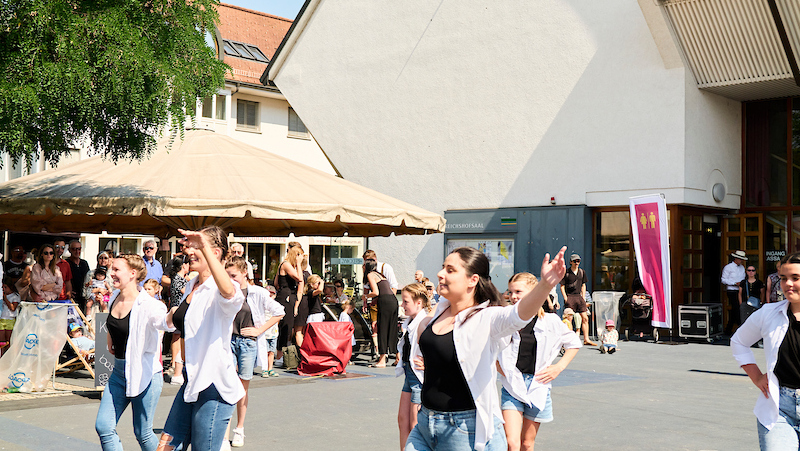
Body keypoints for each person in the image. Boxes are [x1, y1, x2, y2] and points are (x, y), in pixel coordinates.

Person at [405, 246, 566, 451]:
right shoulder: (440, 310)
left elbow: (518, 315)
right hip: (425, 424)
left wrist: (545, 285)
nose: (440, 273)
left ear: (473, 280)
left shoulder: (487, 317)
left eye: (450, 270)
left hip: (463, 429)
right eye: (443, 267)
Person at [158, 226, 245, 451]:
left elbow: (230, 294)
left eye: (195, 247)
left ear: (214, 253)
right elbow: (171, 320)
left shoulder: (224, 287)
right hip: (191, 380)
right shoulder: (191, 285)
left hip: (214, 384)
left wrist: (204, 244)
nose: (189, 251)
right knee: (165, 448)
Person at [95, 253, 171, 451]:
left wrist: (175, 314)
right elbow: (112, 323)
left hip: (144, 374)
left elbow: (164, 323)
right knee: (103, 426)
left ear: (132, 273)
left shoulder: (150, 304)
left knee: (143, 433)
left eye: (117, 269)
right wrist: (110, 339)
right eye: (112, 269)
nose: (112, 273)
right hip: (118, 373)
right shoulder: (114, 297)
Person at [497, 272, 581, 451]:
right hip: (512, 386)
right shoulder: (504, 317)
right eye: (510, 292)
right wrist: (497, 365)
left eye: (518, 292)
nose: (513, 297)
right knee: (511, 442)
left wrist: (558, 368)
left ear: (534, 292)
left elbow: (574, 343)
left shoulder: (550, 320)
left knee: (527, 444)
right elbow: (487, 341)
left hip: (538, 385)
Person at [731, 252, 800, 450]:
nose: (788, 284)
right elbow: (739, 341)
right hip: (779, 409)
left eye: (795, 278)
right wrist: (757, 377)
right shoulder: (769, 313)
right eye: (784, 278)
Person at [224, 256, 284, 447]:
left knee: (242, 388)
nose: (230, 279)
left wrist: (259, 330)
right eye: (227, 275)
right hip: (227, 342)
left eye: (233, 275)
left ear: (244, 273)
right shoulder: (223, 292)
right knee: (226, 386)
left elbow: (279, 311)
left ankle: (239, 429)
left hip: (248, 343)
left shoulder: (257, 292)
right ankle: (224, 435)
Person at [396, 283, 432, 450]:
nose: (402, 305)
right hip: (409, 374)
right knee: (402, 420)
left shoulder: (425, 322)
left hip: (418, 377)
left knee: (415, 425)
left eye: (405, 302)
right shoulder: (409, 322)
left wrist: (430, 364)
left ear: (419, 303)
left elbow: (438, 348)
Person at [363, 259, 398, 368]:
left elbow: (375, 292)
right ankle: (398, 356)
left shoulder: (370, 275)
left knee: (382, 329)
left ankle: (382, 360)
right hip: (393, 300)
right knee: (392, 329)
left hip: (385, 302)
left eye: (363, 265)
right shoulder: (380, 275)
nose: (362, 267)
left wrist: (366, 297)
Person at [275, 246, 304, 364]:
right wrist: (298, 264)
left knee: (288, 325)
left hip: (285, 294)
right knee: (285, 325)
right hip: (286, 295)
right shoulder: (286, 264)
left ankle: (280, 353)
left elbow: (276, 283)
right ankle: (279, 355)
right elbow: (299, 279)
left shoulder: (284, 264)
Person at [560, 253, 595, 346]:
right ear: (571, 262)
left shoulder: (582, 272)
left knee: (585, 318)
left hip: (579, 296)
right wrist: (565, 298)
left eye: (578, 261)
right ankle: (569, 338)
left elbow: (583, 285)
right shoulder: (566, 273)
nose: (577, 263)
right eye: (575, 261)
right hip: (570, 296)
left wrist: (583, 297)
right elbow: (562, 286)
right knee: (569, 318)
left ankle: (586, 338)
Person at [166, 256, 190, 386]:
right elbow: (185, 292)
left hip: (177, 308)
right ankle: (175, 362)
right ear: (184, 266)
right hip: (178, 309)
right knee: (177, 336)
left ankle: (175, 362)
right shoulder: (178, 279)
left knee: (177, 336)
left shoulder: (179, 278)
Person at [723, 250, 748, 335]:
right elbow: (723, 279)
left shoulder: (742, 268)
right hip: (732, 290)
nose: (741, 261)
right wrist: (734, 283)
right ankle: (741, 328)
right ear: (736, 258)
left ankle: (728, 330)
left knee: (736, 309)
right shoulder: (728, 267)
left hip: (740, 290)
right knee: (737, 308)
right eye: (740, 259)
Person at [84, 251, 113, 316]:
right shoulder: (91, 273)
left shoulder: (112, 274)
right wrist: (98, 290)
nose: (103, 260)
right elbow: (85, 293)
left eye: (105, 258)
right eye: (101, 258)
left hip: (106, 304)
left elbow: (114, 291)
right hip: (93, 306)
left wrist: (106, 293)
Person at [68, 240, 91, 314]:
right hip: (72, 298)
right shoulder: (66, 263)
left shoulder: (84, 263)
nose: (77, 251)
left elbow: (88, 278)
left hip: (83, 297)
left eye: (79, 249)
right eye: (74, 249)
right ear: (70, 250)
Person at [0, 278, 20, 356]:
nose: (4, 289)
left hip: (10, 319)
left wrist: (5, 297)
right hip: (2, 319)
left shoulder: (15, 296)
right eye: (2, 288)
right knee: (2, 342)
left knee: (9, 341)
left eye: (5, 287)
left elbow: (12, 308)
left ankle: (9, 356)